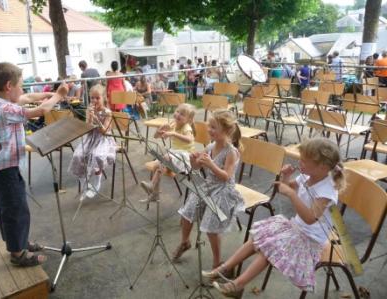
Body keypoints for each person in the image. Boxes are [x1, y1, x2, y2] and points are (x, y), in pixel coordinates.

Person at [202, 138, 345, 298]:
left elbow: (311, 218)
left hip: (311, 239)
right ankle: (223, 269)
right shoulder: (308, 176)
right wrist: (285, 177)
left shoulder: (327, 190)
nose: (299, 162)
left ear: (322, 167)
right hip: (297, 227)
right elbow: (287, 187)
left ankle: (237, 285)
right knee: (257, 238)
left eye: (304, 161)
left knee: (270, 249)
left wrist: (291, 194)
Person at [0, 62, 68, 267]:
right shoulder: (5, 108)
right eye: (21, 85)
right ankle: (18, 254)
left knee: (7, 209)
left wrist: (47, 94)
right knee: (16, 211)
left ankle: (18, 243)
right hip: (5, 171)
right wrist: (59, 95)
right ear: (8, 86)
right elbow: (38, 112)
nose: (23, 89)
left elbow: (28, 98)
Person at [172, 110, 245, 270]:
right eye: (209, 126)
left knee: (211, 228)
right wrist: (193, 161)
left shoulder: (231, 152)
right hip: (209, 185)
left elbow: (226, 176)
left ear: (226, 131)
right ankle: (185, 242)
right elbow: (197, 167)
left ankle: (217, 262)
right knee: (187, 212)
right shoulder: (211, 146)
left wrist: (211, 164)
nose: (209, 130)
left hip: (223, 190)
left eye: (214, 127)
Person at [140, 103, 197, 202]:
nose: (178, 115)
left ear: (189, 120)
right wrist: (160, 130)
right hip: (175, 154)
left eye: (182, 114)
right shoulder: (173, 124)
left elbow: (189, 139)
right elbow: (155, 137)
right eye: (177, 111)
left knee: (165, 158)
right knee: (156, 165)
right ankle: (155, 194)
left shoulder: (187, 127)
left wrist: (173, 133)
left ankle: (152, 185)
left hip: (185, 158)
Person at [68, 84, 116, 199]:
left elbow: (105, 131)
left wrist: (96, 119)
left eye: (97, 98)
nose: (94, 100)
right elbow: (87, 128)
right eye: (92, 98)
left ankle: (97, 182)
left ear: (103, 98)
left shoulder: (107, 112)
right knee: (78, 155)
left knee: (97, 155)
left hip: (103, 139)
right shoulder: (89, 110)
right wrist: (89, 117)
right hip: (90, 138)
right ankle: (85, 185)